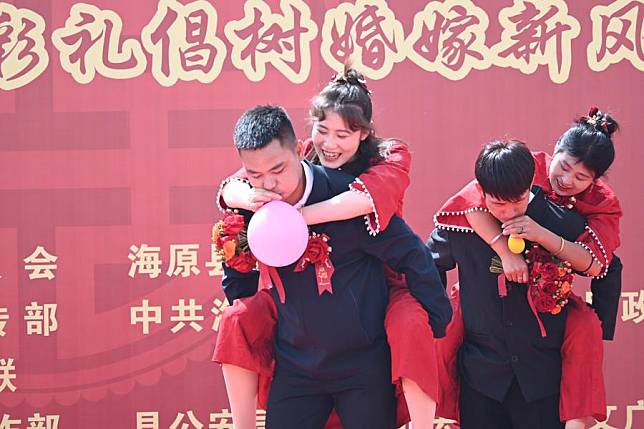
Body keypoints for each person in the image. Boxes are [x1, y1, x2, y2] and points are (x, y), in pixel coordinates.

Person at [214, 68, 444, 428]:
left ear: (363, 133)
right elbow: (234, 200)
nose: (331, 143)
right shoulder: (267, 188)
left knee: (411, 323)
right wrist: (244, 196)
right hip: (298, 362)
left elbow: (409, 250)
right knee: (236, 318)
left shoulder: (377, 169)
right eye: (323, 132)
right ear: (308, 137)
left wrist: (438, 316)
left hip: (368, 334)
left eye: (343, 134)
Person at [434, 108, 622, 427]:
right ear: (555, 151)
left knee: (586, 329)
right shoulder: (523, 166)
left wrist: (542, 235)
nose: (566, 181)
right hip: (486, 357)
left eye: (581, 178)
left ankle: (579, 417)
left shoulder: (601, 202)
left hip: (546, 341)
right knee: (446, 330)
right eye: (563, 167)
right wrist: (504, 250)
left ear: (595, 181)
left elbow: (595, 263)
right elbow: (470, 203)